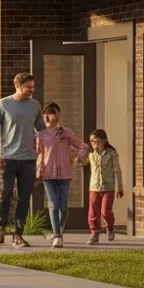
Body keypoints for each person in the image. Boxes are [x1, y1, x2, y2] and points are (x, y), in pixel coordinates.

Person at [0, 72, 46, 248]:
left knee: (24, 198)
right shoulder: (4, 104)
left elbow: (42, 131)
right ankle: (1, 226)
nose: (31, 90)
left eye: (33, 87)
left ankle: (18, 234)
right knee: (6, 194)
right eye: (28, 87)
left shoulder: (35, 106)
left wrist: (42, 157)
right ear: (18, 86)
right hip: (8, 158)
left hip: (28, 159)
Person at [34, 103, 88, 248]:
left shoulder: (66, 132)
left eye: (55, 112)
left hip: (65, 174)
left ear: (59, 114)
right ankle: (57, 236)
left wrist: (81, 153)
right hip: (47, 174)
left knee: (63, 206)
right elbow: (35, 153)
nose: (52, 116)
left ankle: (59, 230)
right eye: (49, 113)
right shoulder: (40, 134)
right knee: (53, 205)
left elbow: (82, 145)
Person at [86, 129, 124, 245]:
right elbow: (81, 162)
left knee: (105, 211)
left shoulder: (111, 153)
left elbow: (117, 170)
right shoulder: (91, 154)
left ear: (104, 141)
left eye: (97, 141)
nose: (94, 144)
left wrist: (120, 187)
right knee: (93, 213)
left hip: (108, 187)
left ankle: (110, 227)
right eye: (92, 142)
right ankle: (94, 234)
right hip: (94, 187)